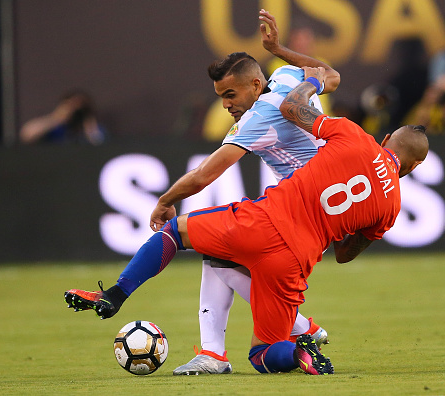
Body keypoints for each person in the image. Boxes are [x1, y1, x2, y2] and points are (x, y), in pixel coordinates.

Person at [65, 67, 428, 375]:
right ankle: (299, 351)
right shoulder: (391, 207)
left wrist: (313, 82)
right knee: (262, 354)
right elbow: (346, 253)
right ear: (413, 168)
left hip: (265, 221)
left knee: (176, 231)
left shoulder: (355, 137)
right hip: (296, 259)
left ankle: (115, 294)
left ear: (385, 139)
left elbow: (293, 106)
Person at [66, 9, 341, 376]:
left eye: (230, 94)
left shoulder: (258, 118)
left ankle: (123, 298)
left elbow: (203, 175)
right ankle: (257, 342)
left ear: (255, 87)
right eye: (221, 96)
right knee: (217, 257)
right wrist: (279, 48)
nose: (226, 104)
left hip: (296, 214)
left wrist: (164, 201)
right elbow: (330, 75)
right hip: (320, 216)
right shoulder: (287, 76)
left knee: (178, 231)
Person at [19, 90, 106, 145]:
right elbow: (27, 136)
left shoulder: (93, 129)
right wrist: (57, 118)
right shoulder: (55, 128)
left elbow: (100, 145)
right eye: (72, 105)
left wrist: (88, 121)